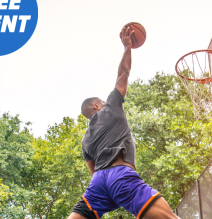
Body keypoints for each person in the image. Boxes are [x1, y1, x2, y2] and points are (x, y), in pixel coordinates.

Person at [68, 27, 179, 219]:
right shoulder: (110, 107)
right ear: (96, 106)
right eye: (101, 101)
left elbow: (94, 171)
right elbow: (124, 73)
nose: (104, 101)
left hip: (97, 185)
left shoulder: (85, 140)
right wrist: (127, 48)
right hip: (120, 176)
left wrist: (111, 194)